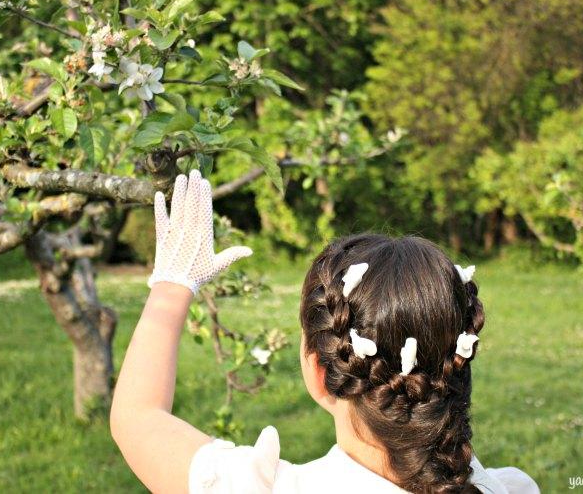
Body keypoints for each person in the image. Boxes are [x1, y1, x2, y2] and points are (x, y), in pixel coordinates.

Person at [110, 170, 539, 493]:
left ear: (318, 373)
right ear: (456, 367)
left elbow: (137, 418)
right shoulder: (513, 489)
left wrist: (172, 284)